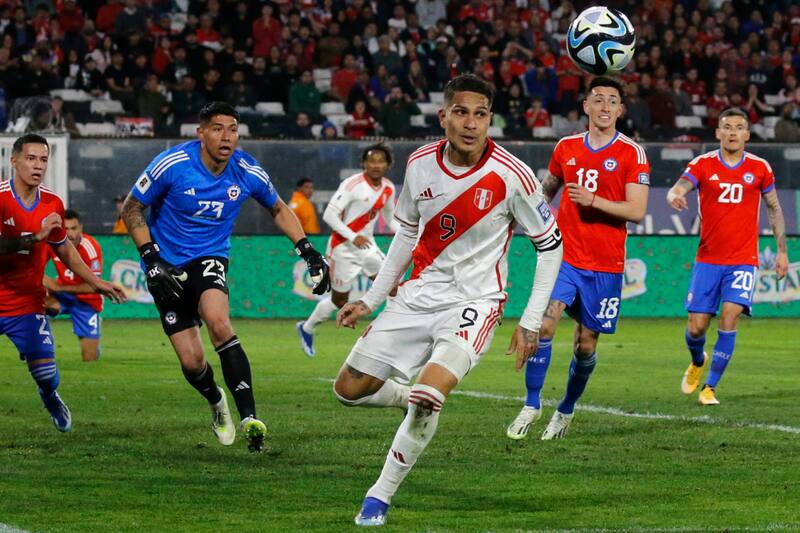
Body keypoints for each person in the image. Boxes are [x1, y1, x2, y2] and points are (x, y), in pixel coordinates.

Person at [333, 74, 563, 526]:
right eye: (461, 112)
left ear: (490, 120)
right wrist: (373, 299)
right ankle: (404, 396)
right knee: (347, 390)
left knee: (428, 396)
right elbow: (405, 235)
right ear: (443, 116)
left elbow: (550, 245)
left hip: (475, 302)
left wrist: (531, 320)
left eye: (480, 114)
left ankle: (379, 495)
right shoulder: (419, 164)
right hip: (418, 295)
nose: (470, 123)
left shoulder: (512, 176)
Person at [120, 102, 330, 452]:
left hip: (210, 258)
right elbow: (131, 207)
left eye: (232, 128)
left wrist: (308, 250)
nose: (226, 136)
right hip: (167, 267)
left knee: (219, 322)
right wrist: (151, 259)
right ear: (200, 133)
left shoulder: (247, 170)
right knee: (192, 362)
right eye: (217, 128)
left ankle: (249, 417)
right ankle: (216, 400)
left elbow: (278, 207)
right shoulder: (173, 164)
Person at [506, 76, 650, 441]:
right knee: (545, 325)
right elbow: (545, 192)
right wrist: (522, 215)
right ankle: (532, 403)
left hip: (605, 265)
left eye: (611, 101)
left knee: (585, 345)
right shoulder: (566, 147)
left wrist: (593, 201)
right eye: (597, 99)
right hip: (564, 257)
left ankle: (566, 408)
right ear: (585, 106)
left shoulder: (632, 153)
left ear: (620, 109)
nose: (604, 106)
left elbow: (636, 209)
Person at [0, 134, 125, 432]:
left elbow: (65, 250)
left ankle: (50, 397)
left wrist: (97, 283)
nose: (38, 165)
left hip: (26, 303)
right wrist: (34, 238)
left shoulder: (53, 204)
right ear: (13, 160)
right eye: (31, 158)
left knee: (46, 374)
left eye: (43, 159)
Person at [666, 107, 789, 405]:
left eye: (738, 127)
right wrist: (674, 195)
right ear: (718, 133)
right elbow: (679, 187)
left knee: (730, 315)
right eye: (727, 127)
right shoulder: (703, 164)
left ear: (747, 134)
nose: (732, 132)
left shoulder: (760, 168)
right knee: (696, 328)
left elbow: (773, 208)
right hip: (708, 260)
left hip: (743, 260)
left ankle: (710, 387)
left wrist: (782, 251)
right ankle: (697, 360)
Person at [296, 144, 398, 357]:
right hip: (343, 248)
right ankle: (306, 328)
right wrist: (353, 236)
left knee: (392, 286)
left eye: (381, 161)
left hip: (368, 246)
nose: (376, 165)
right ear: (364, 163)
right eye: (372, 160)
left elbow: (389, 219)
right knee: (339, 301)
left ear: (388, 165)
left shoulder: (388, 188)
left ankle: (390, 336)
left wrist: (408, 234)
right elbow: (329, 216)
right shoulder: (352, 185)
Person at [43, 209, 106, 362]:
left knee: (89, 359)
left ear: (81, 228)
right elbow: (32, 268)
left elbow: (94, 287)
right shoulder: (52, 244)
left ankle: (94, 347)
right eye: (66, 229)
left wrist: (59, 287)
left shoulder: (90, 247)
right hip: (62, 297)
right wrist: (42, 280)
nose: (70, 234)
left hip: (87, 301)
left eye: (74, 228)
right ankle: (35, 346)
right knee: (33, 302)